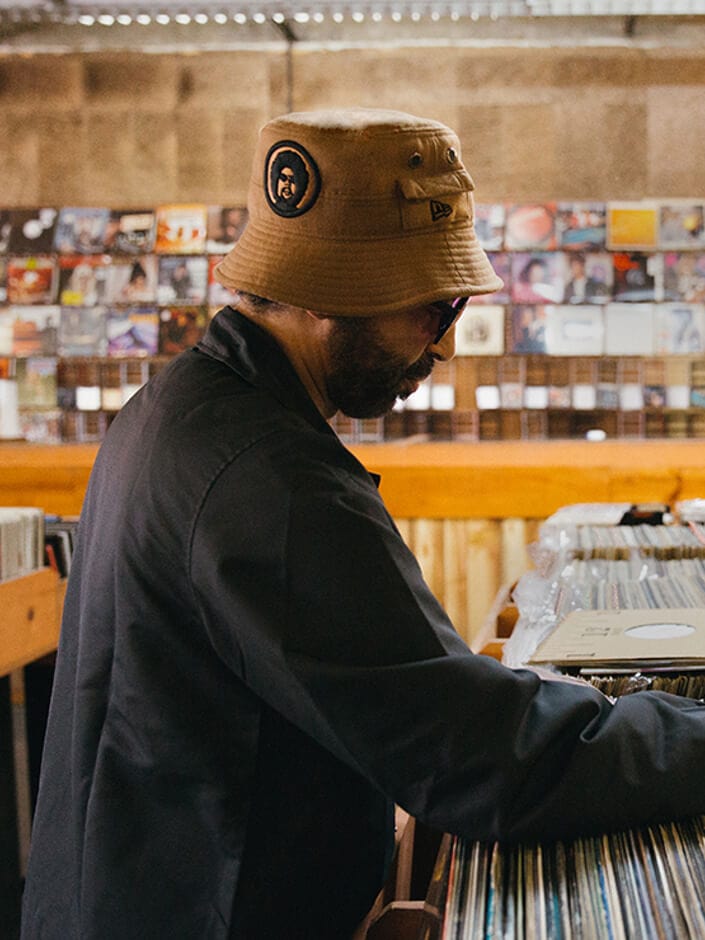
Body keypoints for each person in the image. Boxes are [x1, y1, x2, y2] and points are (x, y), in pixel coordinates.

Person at [21, 109, 705, 939]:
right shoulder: (274, 485)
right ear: (332, 297)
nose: (443, 349)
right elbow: (484, 760)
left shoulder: (177, 409)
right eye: (433, 311)